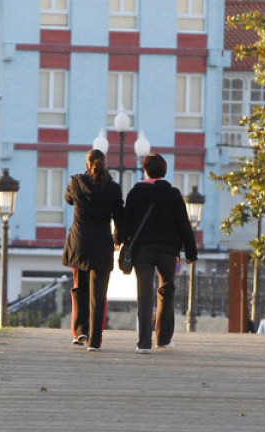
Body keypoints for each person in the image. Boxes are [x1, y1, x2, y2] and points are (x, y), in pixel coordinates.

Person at [121, 153, 197, 354]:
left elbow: (125, 222)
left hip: (142, 251)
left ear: (145, 170)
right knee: (166, 292)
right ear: (164, 171)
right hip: (167, 251)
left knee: (144, 294)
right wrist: (191, 251)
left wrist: (118, 241)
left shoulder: (135, 193)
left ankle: (143, 343)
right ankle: (163, 339)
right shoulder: (173, 194)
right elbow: (183, 224)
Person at [62, 149, 124, 352]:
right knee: (99, 294)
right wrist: (118, 240)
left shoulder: (76, 183)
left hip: (79, 243)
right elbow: (120, 218)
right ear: (104, 164)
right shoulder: (113, 189)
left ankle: (80, 331)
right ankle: (95, 341)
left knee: (79, 289)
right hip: (102, 244)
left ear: (87, 165)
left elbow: (68, 199)